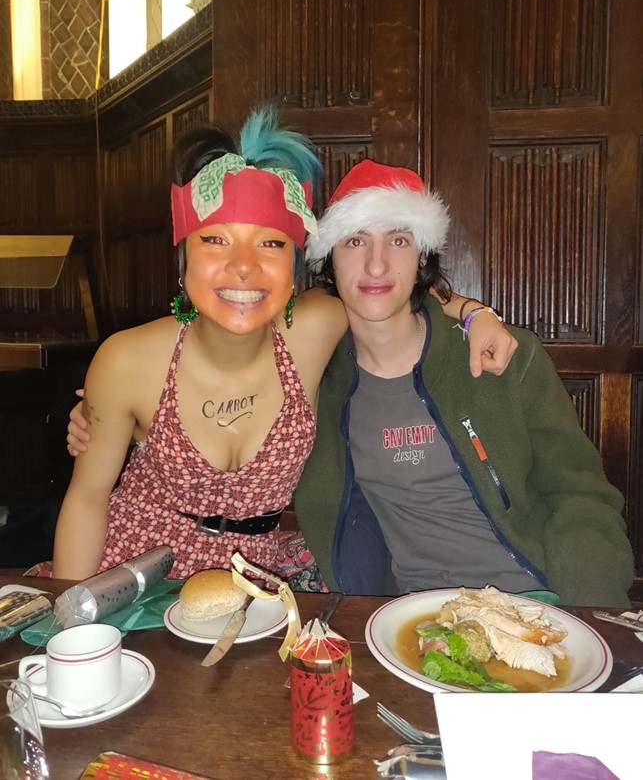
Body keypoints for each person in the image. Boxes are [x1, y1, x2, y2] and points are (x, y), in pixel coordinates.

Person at [56, 110, 515, 581]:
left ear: (294, 269)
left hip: (258, 579)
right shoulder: (127, 359)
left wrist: (474, 313)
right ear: (183, 257)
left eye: (270, 244)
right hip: (137, 572)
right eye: (216, 240)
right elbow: (87, 499)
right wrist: (69, 620)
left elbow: (392, 289)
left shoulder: (315, 328)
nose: (242, 267)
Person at [294, 159, 634, 607]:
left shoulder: (507, 357)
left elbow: (581, 496)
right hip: (408, 620)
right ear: (329, 258)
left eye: (398, 239)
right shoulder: (319, 379)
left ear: (421, 258)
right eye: (355, 241)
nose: (376, 265)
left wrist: (592, 613)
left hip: (539, 602)